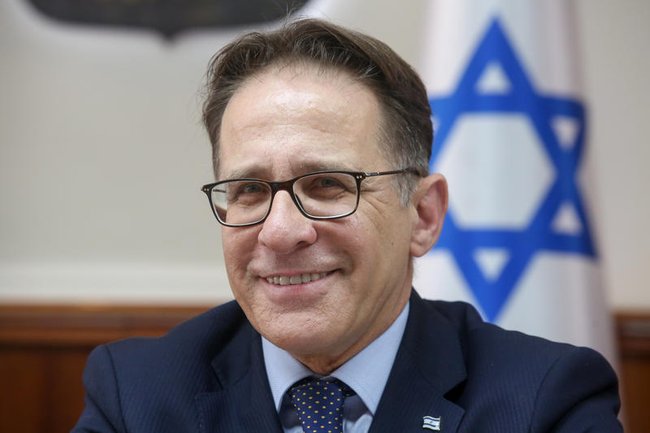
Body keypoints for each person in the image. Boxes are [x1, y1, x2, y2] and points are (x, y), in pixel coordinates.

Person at [72, 18, 622, 433]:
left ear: (423, 216)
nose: (280, 232)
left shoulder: (542, 401)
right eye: (249, 191)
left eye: (328, 185)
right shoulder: (139, 396)